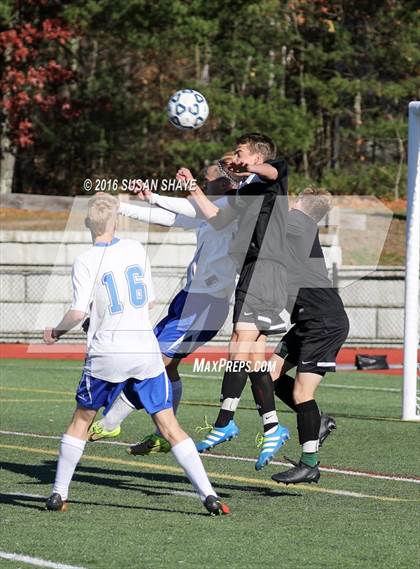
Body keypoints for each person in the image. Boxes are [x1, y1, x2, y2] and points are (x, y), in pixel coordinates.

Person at [43, 192, 229, 516]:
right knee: (170, 427)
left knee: (80, 422)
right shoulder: (134, 248)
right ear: (116, 220)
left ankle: (59, 493)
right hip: (144, 350)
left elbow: (76, 313)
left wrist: (56, 332)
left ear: (88, 222)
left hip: (106, 352)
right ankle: (209, 496)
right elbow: (149, 303)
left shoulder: (85, 260)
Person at [87, 158, 241, 456]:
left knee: (155, 359)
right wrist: (123, 206)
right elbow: (175, 218)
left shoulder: (231, 209)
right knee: (165, 366)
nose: (200, 184)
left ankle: (112, 420)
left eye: (205, 181)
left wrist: (160, 195)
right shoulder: (209, 209)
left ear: (224, 184)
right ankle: (162, 432)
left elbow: (189, 208)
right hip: (189, 297)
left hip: (208, 304)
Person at [181, 133, 290, 470]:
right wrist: (194, 190)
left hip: (266, 270)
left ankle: (225, 419)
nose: (236, 156)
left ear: (257, 156)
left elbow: (271, 172)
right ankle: (272, 426)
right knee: (253, 354)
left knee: (239, 343)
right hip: (253, 270)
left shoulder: (274, 175)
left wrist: (248, 166)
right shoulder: (247, 190)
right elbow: (218, 219)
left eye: (242, 152)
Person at [270, 188, 349, 485]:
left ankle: (309, 464)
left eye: (293, 200)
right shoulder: (296, 225)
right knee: (269, 375)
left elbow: (268, 216)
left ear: (302, 205)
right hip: (306, 319)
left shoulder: (301, 222)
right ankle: (319, 420)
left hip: (323, 321)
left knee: (303, 393)